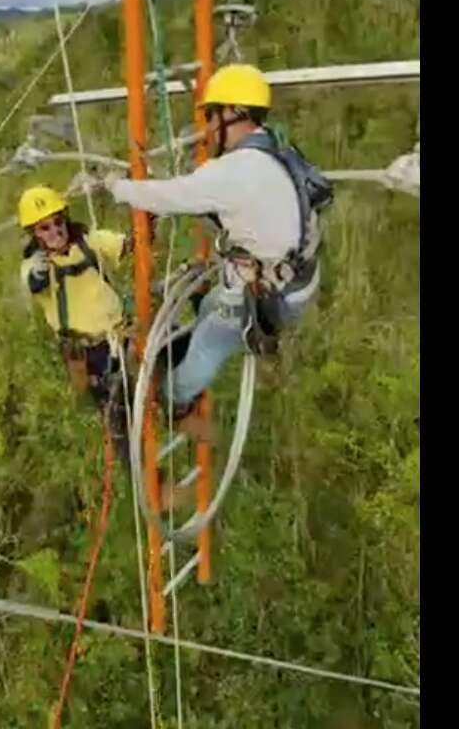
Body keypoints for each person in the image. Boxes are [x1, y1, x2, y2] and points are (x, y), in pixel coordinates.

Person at [77, 64, 332, 489]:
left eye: (211, 116)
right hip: (294, 279)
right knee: (212, 303)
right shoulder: (279, 152)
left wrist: (116, 187)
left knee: (205, 347)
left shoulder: (233, 171)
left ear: (233, 113)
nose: (208, 128)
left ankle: (176, 400)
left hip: (271, 298)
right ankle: (201, 335)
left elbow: (168, 195)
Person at [17, 185, 134, 463]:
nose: (55, 231)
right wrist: (41, 269)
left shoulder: (88, 242)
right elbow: (35, 283)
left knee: (149, 384)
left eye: (58, 222)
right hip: (85, 354)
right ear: (34, 233)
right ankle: (136, 471)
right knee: (116, 416)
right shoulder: (33, 268)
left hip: (120, 335)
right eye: (44, 228)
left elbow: (128, 244)